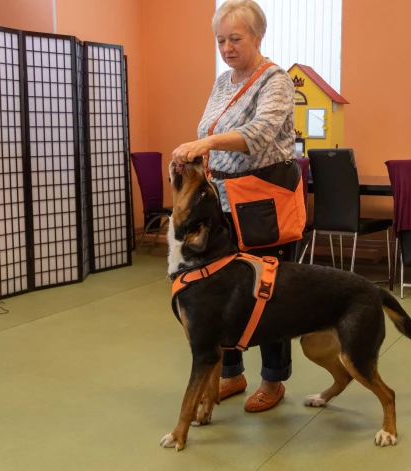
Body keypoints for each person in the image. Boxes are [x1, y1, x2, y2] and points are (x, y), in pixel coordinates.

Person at [172, 0, 297, 413]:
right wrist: (192, 155)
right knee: (221, 290)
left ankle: (273, 380)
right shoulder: (224, 81)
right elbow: (208, 128)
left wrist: (206, 143)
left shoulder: (276, 80)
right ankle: (231, 373)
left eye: (235, 39)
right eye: (220, 40)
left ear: (258, 37)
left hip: (262, 202)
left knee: (267, 289)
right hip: (223, 202)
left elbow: (259, 133)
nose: (226, 47)